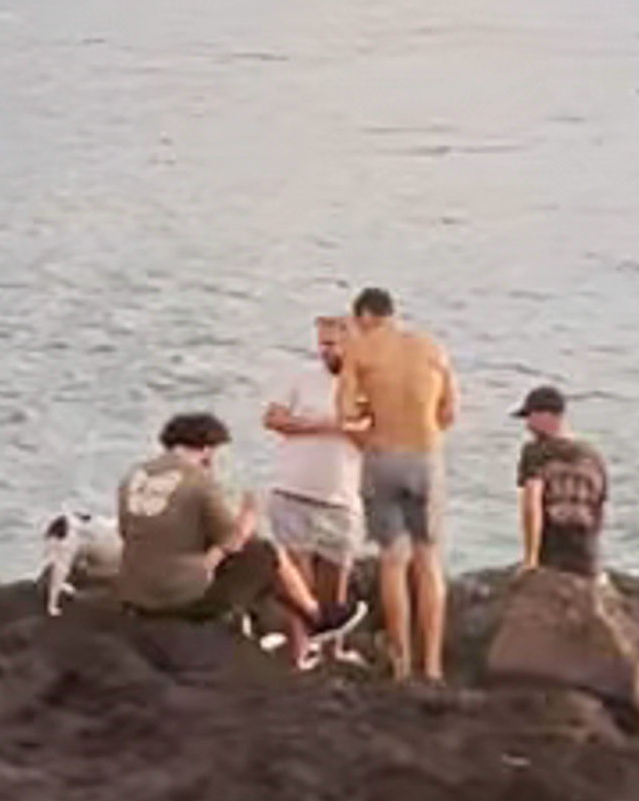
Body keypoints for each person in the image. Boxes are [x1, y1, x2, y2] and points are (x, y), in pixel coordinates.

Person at [341, 283, 460, 682]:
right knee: (428, 559)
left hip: (382, 455)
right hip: (424, 456)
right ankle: (434, 666)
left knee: (393, 561)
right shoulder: (432, 348)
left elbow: (346, 413)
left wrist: (368, 434)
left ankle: (402, 663)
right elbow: (449, 412)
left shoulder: (360, 350)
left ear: (364, 318)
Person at [109, 410, 306, 650]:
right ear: (207, 449)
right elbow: (233, 541)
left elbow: (125, 531)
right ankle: (311, 617)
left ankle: (289, 622)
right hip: (177, 599)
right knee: (264, 552)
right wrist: (249, 514)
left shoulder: (133, 475)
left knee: (222, 552)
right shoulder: (198, 480)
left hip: (133, 594)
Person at [258, 308, 369, 642]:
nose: (326, 351)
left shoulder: (372, 386)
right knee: (299, 584)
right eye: (322, 344)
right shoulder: (300, 376)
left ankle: (332, 649)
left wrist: (343, 427)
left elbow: (373, 437)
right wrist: (324, 425)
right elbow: (274, 419)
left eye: (333, 344)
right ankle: (300, 651)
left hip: (342, 497)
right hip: (293, 490)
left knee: (335, 584)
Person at [514, 387, 613, 577]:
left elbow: (531, 504)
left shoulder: (535, 452)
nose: (527, 426)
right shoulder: (593, 457)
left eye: (530, 417)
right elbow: (599, 507)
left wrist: (530, 560)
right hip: (587, 551)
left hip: (553, 546)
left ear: (547, 416)